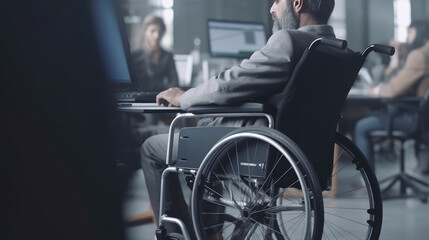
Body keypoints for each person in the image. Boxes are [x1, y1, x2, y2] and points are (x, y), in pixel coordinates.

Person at [141, 0, 336, 237]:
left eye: (277, 1)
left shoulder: (289, 41)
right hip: (300, 151)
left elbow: (229, 85)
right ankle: (210, 232)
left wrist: (184, 97)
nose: (272, 9)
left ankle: (179, 234)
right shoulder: (331, 47)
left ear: (297, 3)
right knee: (206, 136)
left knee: (152, 148)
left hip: (256, 148)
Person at [354, 20, 429, 170]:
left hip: (412, 118)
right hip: (420, 116)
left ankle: (368, 182)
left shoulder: (419, 55)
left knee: (361, 126)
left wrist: (371, 91)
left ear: (419, 33)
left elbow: (393, 90)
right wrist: (398, 61)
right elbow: (404, 84)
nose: (406, 37)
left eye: (410, 32)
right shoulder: (422, 54)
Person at [132, 14, 179, 91]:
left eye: (160, 31)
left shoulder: (167, 56)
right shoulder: (134, 55)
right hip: (139, 97)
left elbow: (174, 83)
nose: (157, 36)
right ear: (144, 32)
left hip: (160, 97)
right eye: (152, 31)